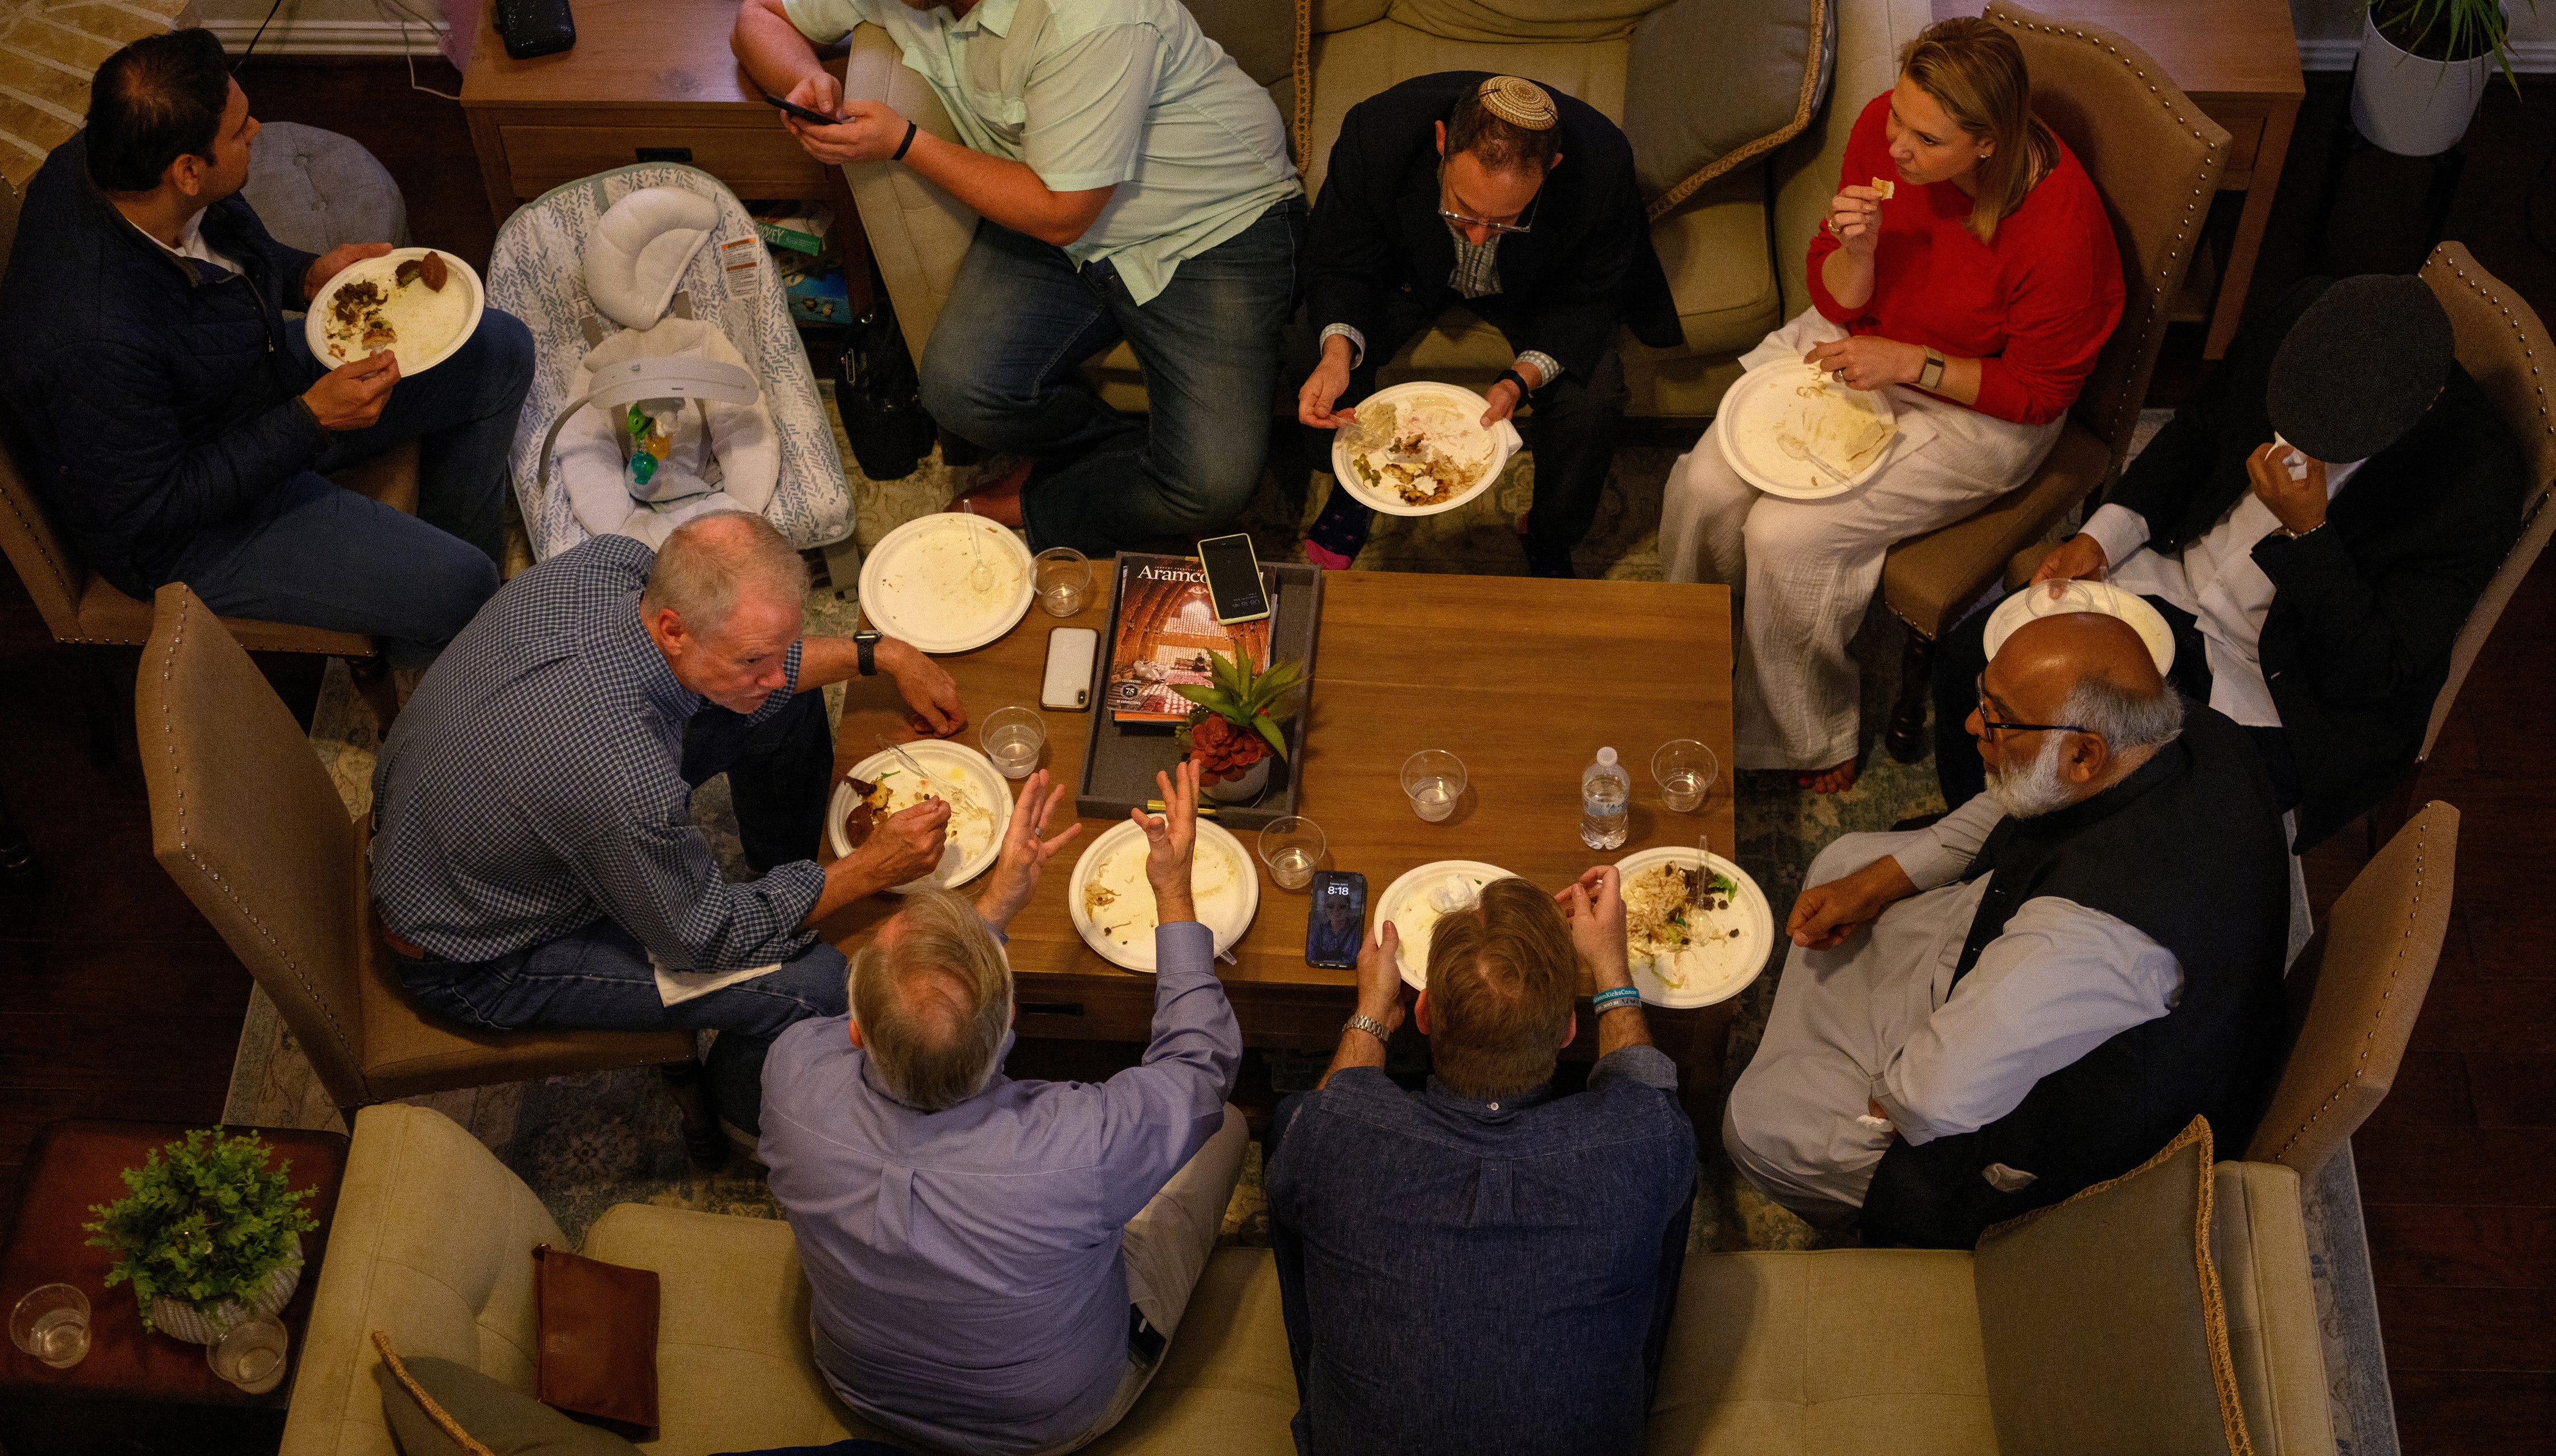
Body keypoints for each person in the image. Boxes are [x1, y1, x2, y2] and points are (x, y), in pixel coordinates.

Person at [732, 0, 1305, 555]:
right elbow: (761, 15)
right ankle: (1114, 455)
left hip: (1207, 223)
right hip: (1054, 203)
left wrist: (904, 142)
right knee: (958, 391)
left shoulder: (1087, 7)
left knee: (1215, 485)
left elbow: (1062, 212)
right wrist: (804, 80)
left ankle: (1056, 501)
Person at [370, 512, 966, 1132]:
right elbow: (701, 939)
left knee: (780, 703)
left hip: (458, 820)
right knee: (816, 984)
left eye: (779, 650)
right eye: (752, 660)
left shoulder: (613, 562)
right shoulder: (622, 777)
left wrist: (880, 654)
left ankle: (786, 875)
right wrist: (867, 869)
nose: (774, 672)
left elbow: (772, 673)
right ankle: (743, 1111)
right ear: (673, 629)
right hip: (473, 954)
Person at [1659, 17, 2123, 792]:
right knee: (1706, 485)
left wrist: (1912, 363)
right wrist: (1860, 251)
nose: (1897, 146)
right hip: (1866, 336)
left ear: (1988, 144)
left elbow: (2037, 394)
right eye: (1898, 117)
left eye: (1926, 139)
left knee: (1784, 535)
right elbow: (1836, 297)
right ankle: (1686, 643)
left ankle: (1805, 730)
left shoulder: (2061, 233)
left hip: (1978, 407)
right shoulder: (1889, 129)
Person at [1726, 612, 2290, 1248]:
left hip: (2052, 1127)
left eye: (1996, 718)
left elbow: (1930, 1098)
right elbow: (2009, 800)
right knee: (1847, 862)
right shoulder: (2185, 732)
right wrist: (1878, 882)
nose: (1972, 725)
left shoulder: (2088, 939)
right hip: (2025, 959)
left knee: (1759, 1124)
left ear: (2084, 755)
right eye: (1982, 700)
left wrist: (1878, 1102)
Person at [1933, 273, 2525, 852]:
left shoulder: (2477, 482)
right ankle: (1972, 848)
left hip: (2279, 682)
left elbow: (2371, 673)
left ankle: (2030, 872)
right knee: (1971, 667)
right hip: (2169, 578)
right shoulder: (2306, 315)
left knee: (2136, 813)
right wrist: (2101, 539)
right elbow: (2198, 431)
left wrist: (2310, 536)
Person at [0, 28, 536, 665]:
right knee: (466, 585)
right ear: (188, 171)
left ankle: (445, 585)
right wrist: (310, 421)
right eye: (239, 131)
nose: (256, 129)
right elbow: (154, 504)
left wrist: (305, 275)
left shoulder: (118, 160)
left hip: (244, 375)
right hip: (193, 527)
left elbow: (229, 256)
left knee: (499, 349)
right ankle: (447, 645)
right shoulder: (94, 342)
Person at [759, 763, 1247, 1456]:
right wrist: (1172, 889)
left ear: (857, 1030)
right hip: (1050, 1424)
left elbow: (911, 1019)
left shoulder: (792, 1078)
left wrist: (994, 906)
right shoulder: (1082, 1149)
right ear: (1010, 1024)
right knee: (1226, 1128)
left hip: (858, 1382)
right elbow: (1200, 1067)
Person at [1266, 874, 1698, 1455]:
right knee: (1669, 1170)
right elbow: (1646, 1096)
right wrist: (1611, 971)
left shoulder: (1331, 1134)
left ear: (1422, 1014)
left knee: (1294, 1129)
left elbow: (1332, 1114)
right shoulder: (1646, 1139)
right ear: (1570, 1032)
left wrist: (1370, 1012)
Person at [1293, 72, 1678, 578]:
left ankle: (1550, 533)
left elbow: (1591, 295)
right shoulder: (1376, 134)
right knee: (1320, 345)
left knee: (1596, 396)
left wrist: (1520, 379)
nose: (1477, 237)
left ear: (1552, 168)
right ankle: (1357, 491)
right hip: (1409, 273)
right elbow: (1341, 258)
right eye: (1463, 211)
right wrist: (1337, 354)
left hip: (1536, 289)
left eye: (1504, 221)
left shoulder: (1603, 162)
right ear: (1441, 142)